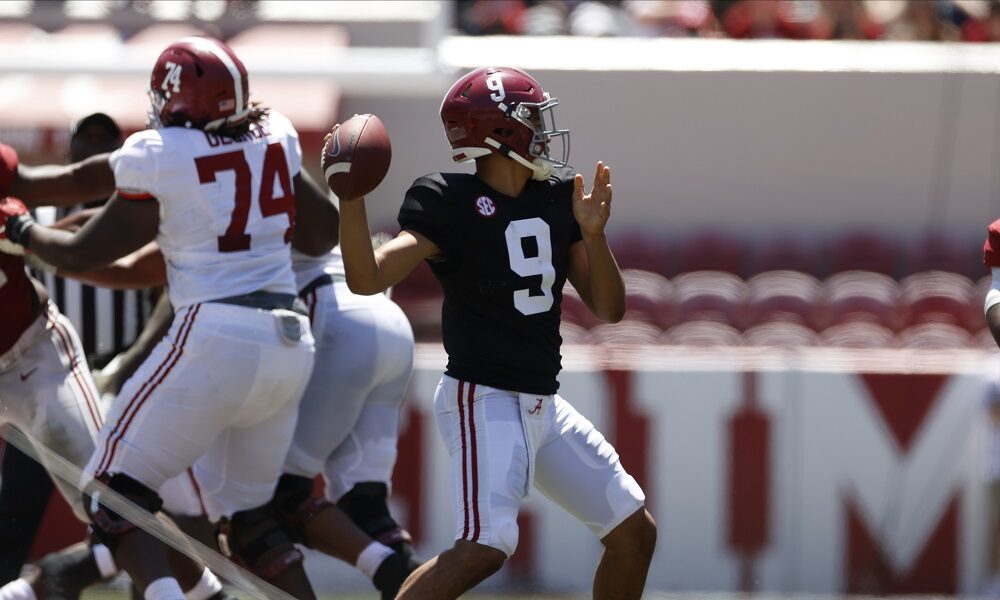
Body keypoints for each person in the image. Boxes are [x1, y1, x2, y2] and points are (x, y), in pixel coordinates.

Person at [1, 36, 337, 600]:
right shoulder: (275, 133)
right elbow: (321, 233)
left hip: (216, 337)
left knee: (110, 493)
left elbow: (84, 252)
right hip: (287, 344)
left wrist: (22, 231)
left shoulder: (159, 153)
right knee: (253, 526)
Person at [333, 66, 657, 599]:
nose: (543, 127)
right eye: (530, 117)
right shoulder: (447, 198)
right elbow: (368, 277)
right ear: (499, 130)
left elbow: (609, 307)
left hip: (542, 406)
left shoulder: (556, 199)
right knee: (486, 545)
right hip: (482, 397)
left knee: (633, 533)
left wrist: (595, 237)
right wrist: (351, 198)